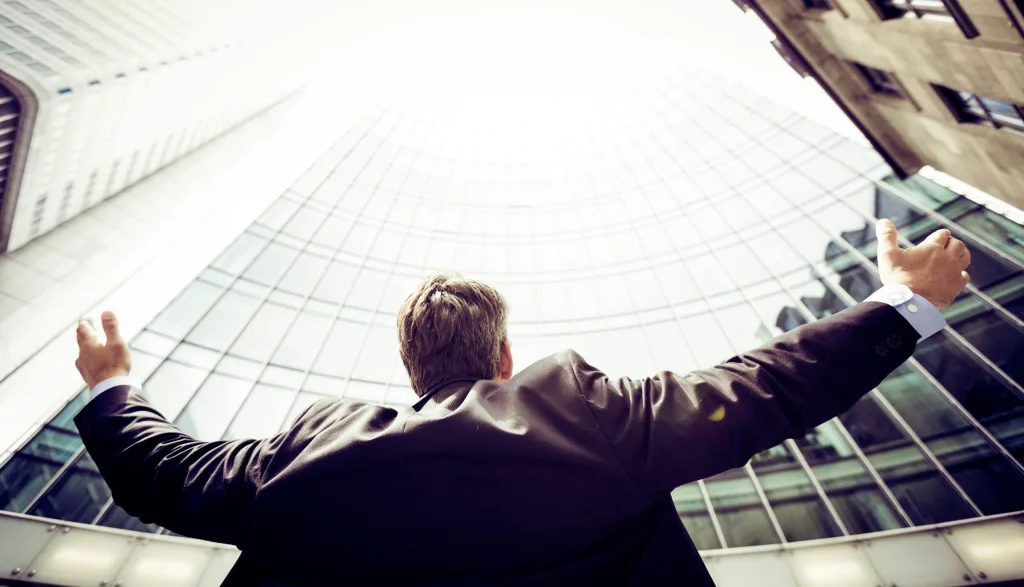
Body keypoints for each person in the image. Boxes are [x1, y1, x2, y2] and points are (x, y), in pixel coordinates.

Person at [73, 219, 971, 586]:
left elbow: (160, 473)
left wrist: (115, 381)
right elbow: (761, 387)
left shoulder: (302, 456)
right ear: (504, 356)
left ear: (411, 369)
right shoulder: (582, 410)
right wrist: (902, 301)